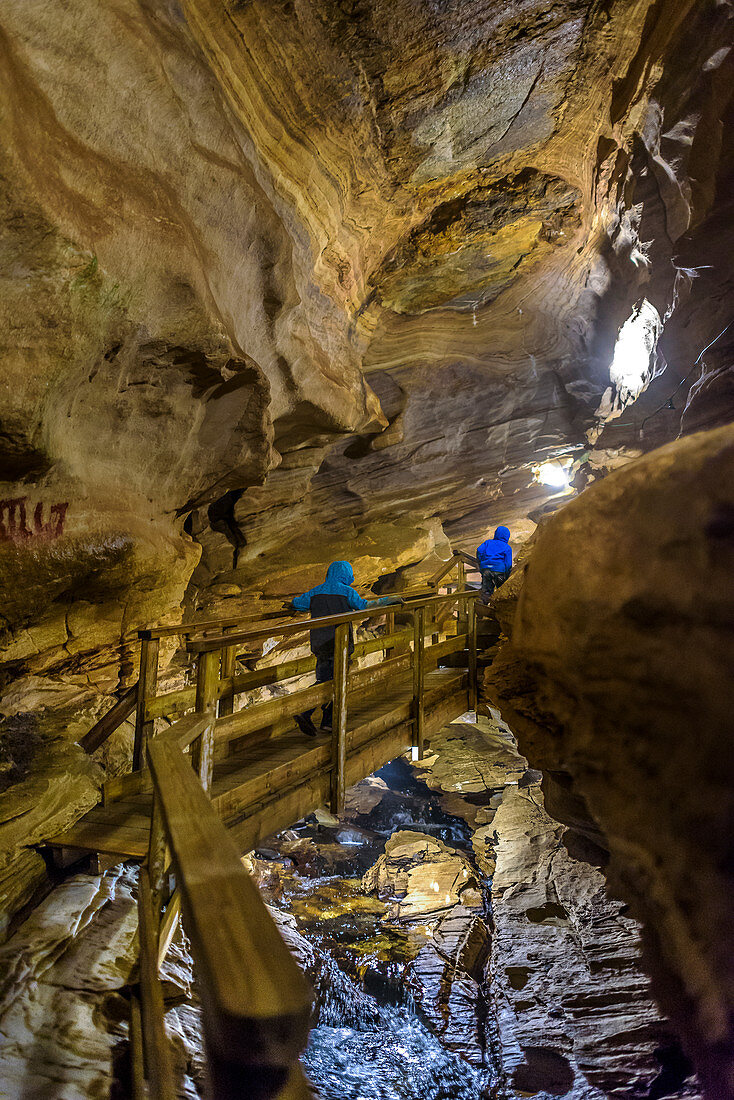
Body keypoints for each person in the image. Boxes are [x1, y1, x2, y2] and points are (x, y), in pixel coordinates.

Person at [291, 561, 395, 736]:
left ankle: (325, 720)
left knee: (324, 678)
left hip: (319, 644)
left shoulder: (316, 591)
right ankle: (308, 712)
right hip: (340, 644)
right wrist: (388, 601)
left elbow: (298, 603)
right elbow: (364, 606)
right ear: (346, 574)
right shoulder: (347, 592)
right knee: (336, 682)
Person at [476, 526, 512, 603]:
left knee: (486, 590)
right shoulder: (507, 547)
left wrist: (482, 561)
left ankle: (483, 604)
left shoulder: (488, 543)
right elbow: (508, 563)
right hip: (500, 572)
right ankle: (499, 605)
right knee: (501, 589)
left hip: (486, 570)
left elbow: (479, 550)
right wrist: (507, 574)